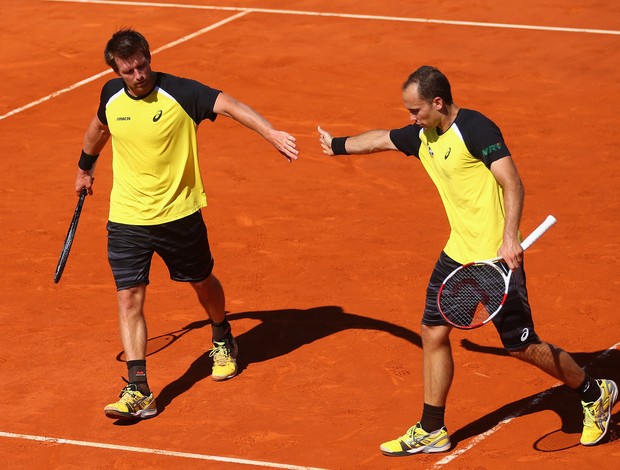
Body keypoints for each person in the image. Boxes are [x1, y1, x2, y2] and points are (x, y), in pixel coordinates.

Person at [318, 65, 617, 454]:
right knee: (433, 332)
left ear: (437, 102)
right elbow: (380, 140)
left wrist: (510, 239)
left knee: (521, 346)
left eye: (415, 110)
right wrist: (337, 144)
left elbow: (512, 181)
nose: (410, 118)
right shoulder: (423, 135)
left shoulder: (476, 128)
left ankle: (595, 393)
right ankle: (432, 428)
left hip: (496, 260)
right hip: (457, 255)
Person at [74, 28, 299, 420]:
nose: (139, 75)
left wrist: (271, 132)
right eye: (129, 71)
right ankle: (139, 388)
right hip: (126, 217)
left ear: (149, 57)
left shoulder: (180, 92)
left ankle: (222, 334)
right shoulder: (111, 96)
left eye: (142, 66)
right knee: (128, 297)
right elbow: (98, 130)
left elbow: (230, 105)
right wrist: (84, 168)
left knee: (201, 282)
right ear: (116, 71)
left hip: (179, 215)